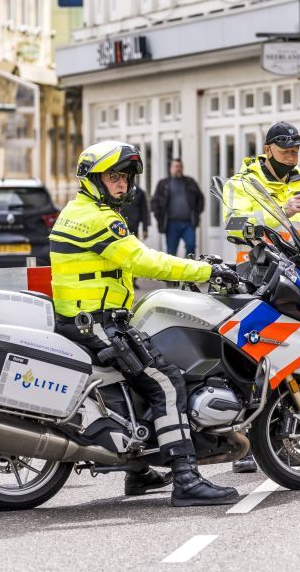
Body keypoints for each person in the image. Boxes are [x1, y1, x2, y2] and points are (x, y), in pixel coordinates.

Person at [50, 140, 239, 507]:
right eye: (113, 177)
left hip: (84, 317)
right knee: (166, 381)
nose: (121, 185)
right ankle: (186, 478)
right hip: (97, 323)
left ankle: (139, 472)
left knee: (136, 379)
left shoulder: (75, 210)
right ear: (93, 179)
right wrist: (207, 270)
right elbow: (144, 262)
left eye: (125, 177)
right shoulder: (100, 218)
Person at [221, 121, 300, 474]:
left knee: (292, 358)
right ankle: (245, 443)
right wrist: (284, 209)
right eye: (285, 152)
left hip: (297, 280)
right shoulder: (243, 184)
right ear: (267, 150)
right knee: (253, 360)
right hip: (256, 279)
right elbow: (235, 225)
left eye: (296, 151)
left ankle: (281, 437)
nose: (291, 157)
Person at [150, 158, 204, 257]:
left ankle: (188, 269)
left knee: (191, 246)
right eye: (176, 166)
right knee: (171, 251)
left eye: (180, 166)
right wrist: (159, 217)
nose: (178, 169)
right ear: (171, 168)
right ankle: (174, 272)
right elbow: (154, 202)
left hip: (188, 223)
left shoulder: (190, 182)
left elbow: (200, 198)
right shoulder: (163, 184)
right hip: (171, 224)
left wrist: (196, 213)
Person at [119, 183, 150, 288]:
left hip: (133, 228)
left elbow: (144, 211)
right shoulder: (118, 190)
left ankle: (133, 280)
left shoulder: (139, 192)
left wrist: (145, 228)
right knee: (122, 253)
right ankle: (123, 278)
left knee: (133, 254)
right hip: (119, 227)